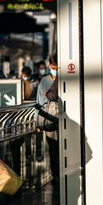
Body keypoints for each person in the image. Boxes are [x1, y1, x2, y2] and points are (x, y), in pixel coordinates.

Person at [36, 54, 61, 187]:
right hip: (49, 119)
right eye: (53, 67)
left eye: (57, 67)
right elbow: (39, 102)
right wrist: (38, 122)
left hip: (63, 117)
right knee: (53, 148)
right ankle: (56, 173)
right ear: (50, 66)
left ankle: (63, 172)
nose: (55, 69)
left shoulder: (65, 77)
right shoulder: (44, 81)